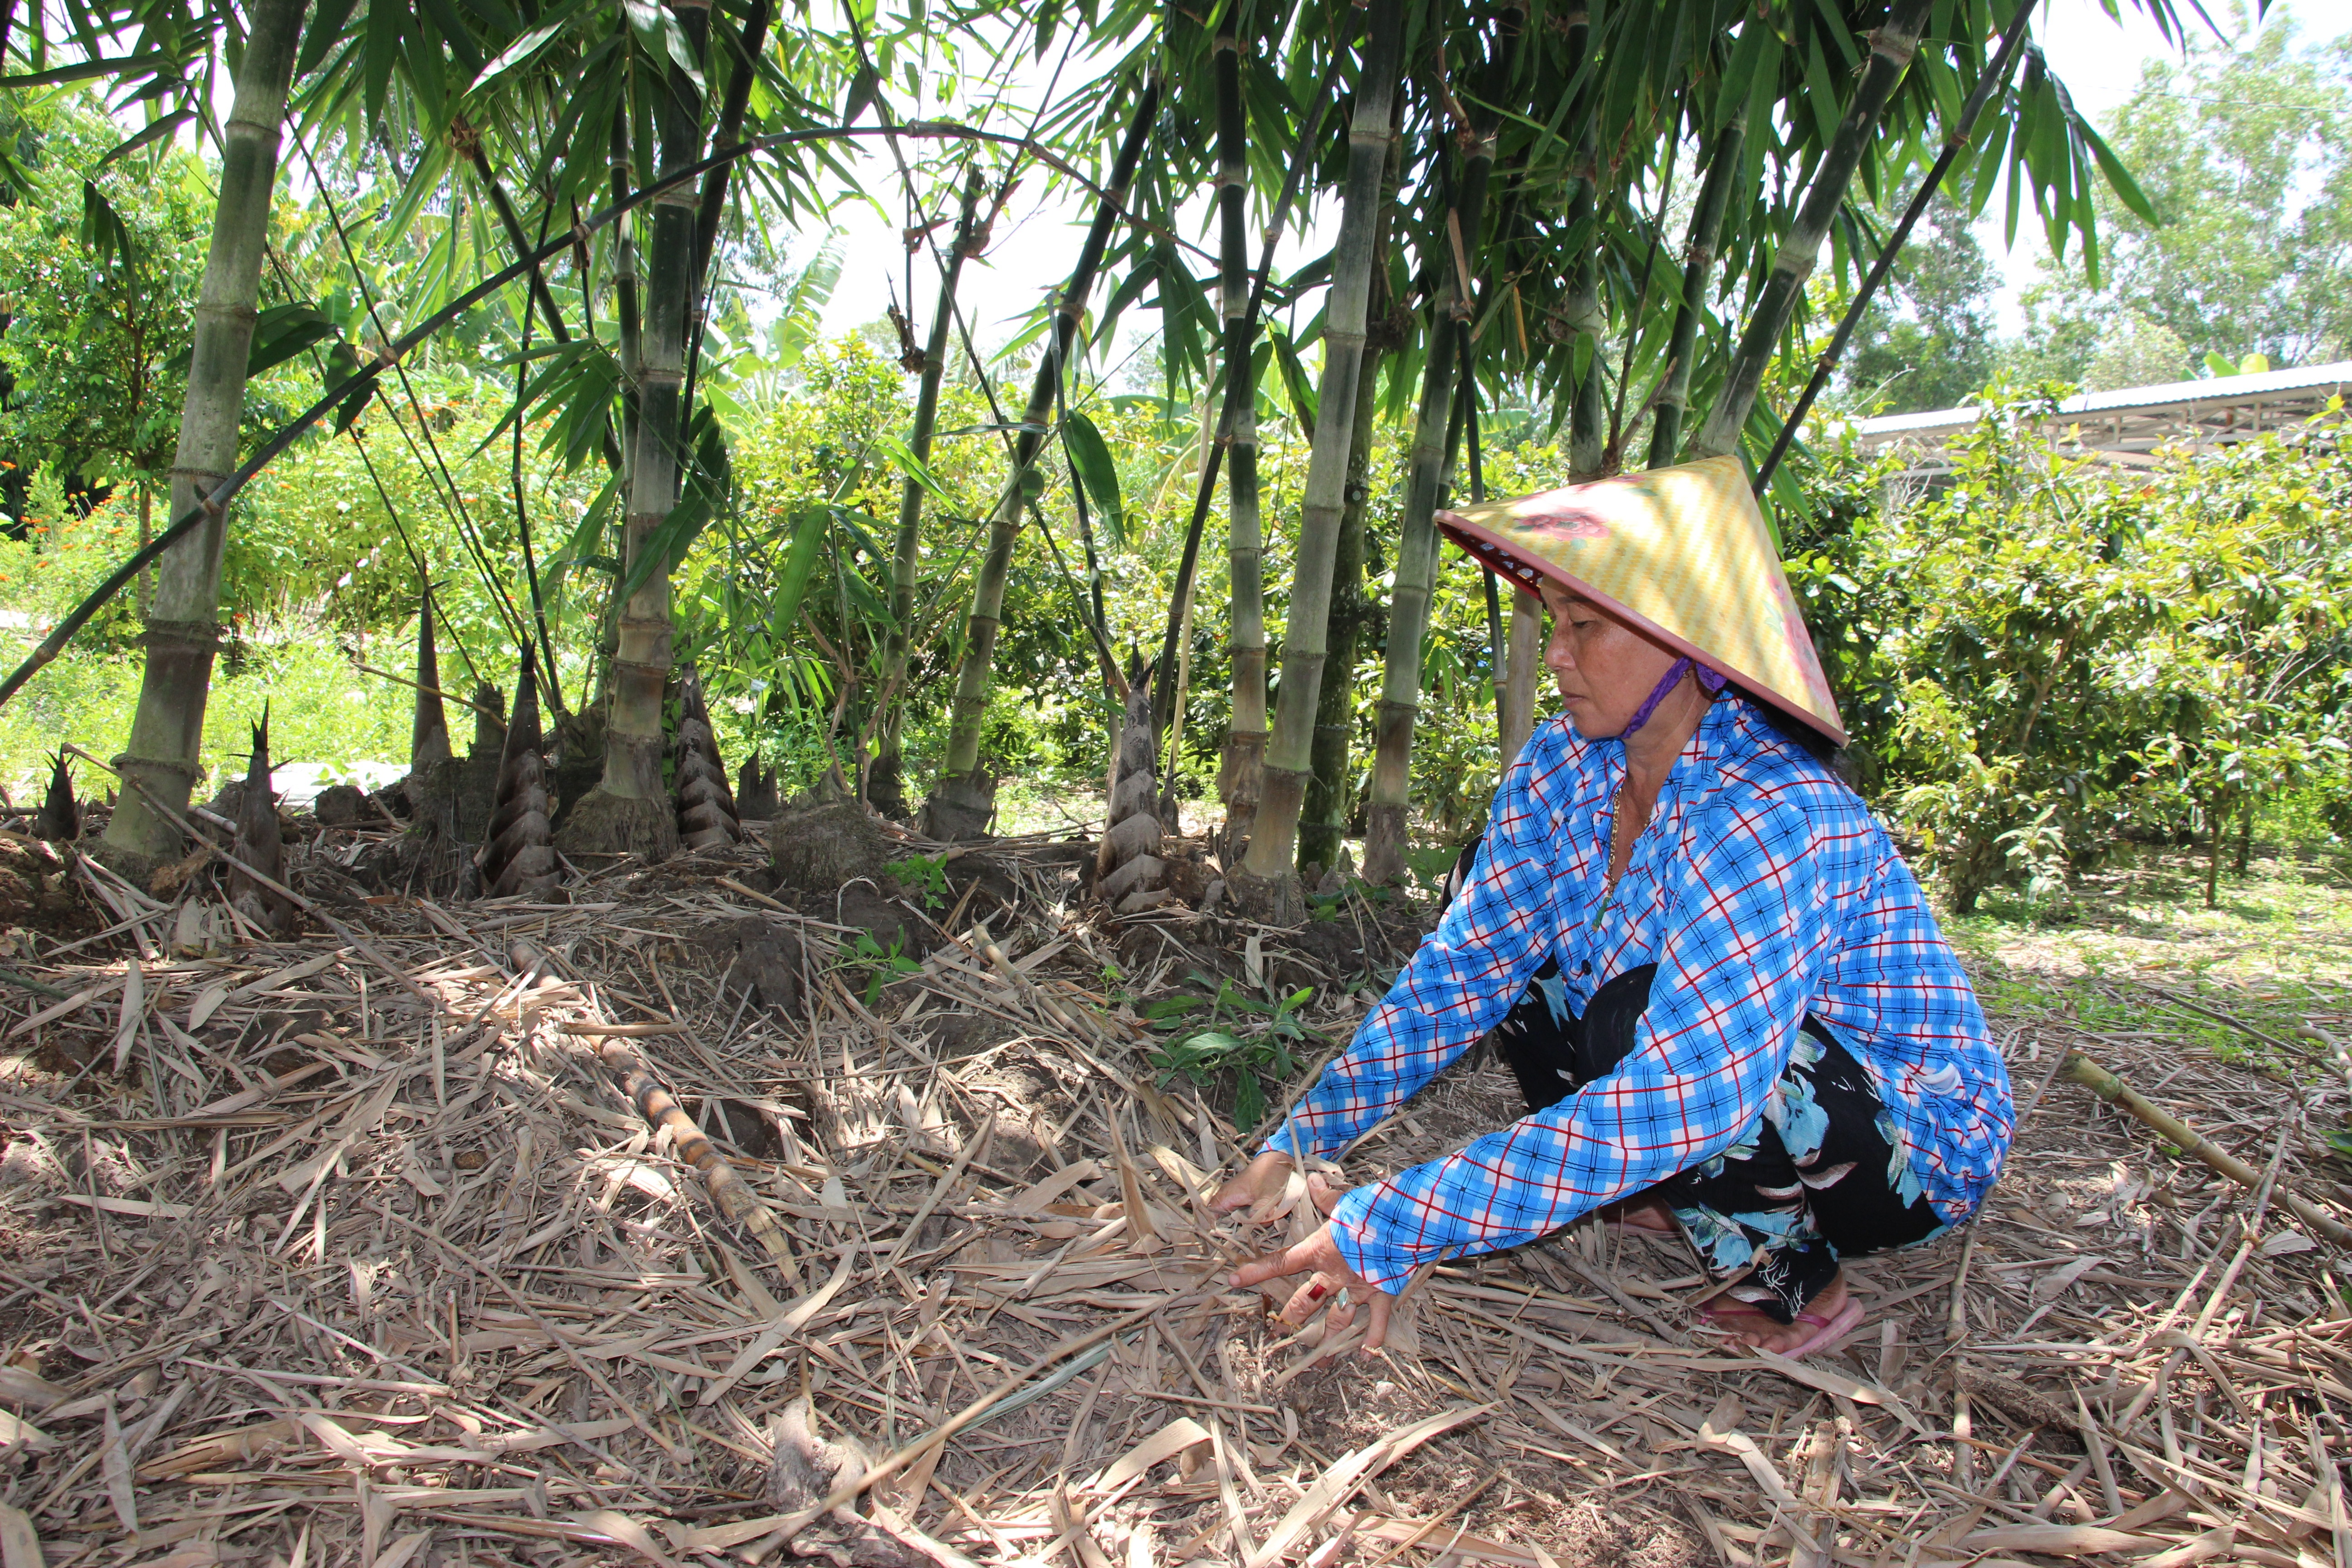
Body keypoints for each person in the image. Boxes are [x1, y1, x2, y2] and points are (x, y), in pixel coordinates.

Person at [1212, 456, 2013, 1358]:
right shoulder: (1565, 767)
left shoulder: (1769, 811)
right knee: (1524, 963)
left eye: (1585, 625)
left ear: (1690, 648)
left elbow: (1692, 1097)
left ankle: (1795, 1287)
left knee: (1649, 1036)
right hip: (1724, 1090)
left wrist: (1396, 1222)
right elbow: (1466, 969)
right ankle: (1664, 1195)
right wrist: (1304, 1135)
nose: (1555, 653)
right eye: (1554, 621)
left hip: (1901, 1147)